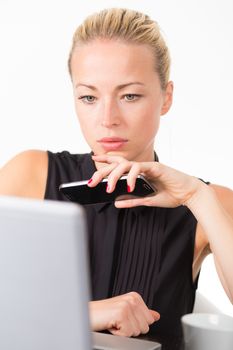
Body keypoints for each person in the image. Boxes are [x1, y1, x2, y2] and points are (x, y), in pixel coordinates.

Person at [0, 7, 233, 338]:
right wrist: (84, 314)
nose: (108, 118)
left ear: (166, 97)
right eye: (89, 97)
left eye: (130, 95)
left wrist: (197, 196)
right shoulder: (31, 174)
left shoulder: (210, 202)